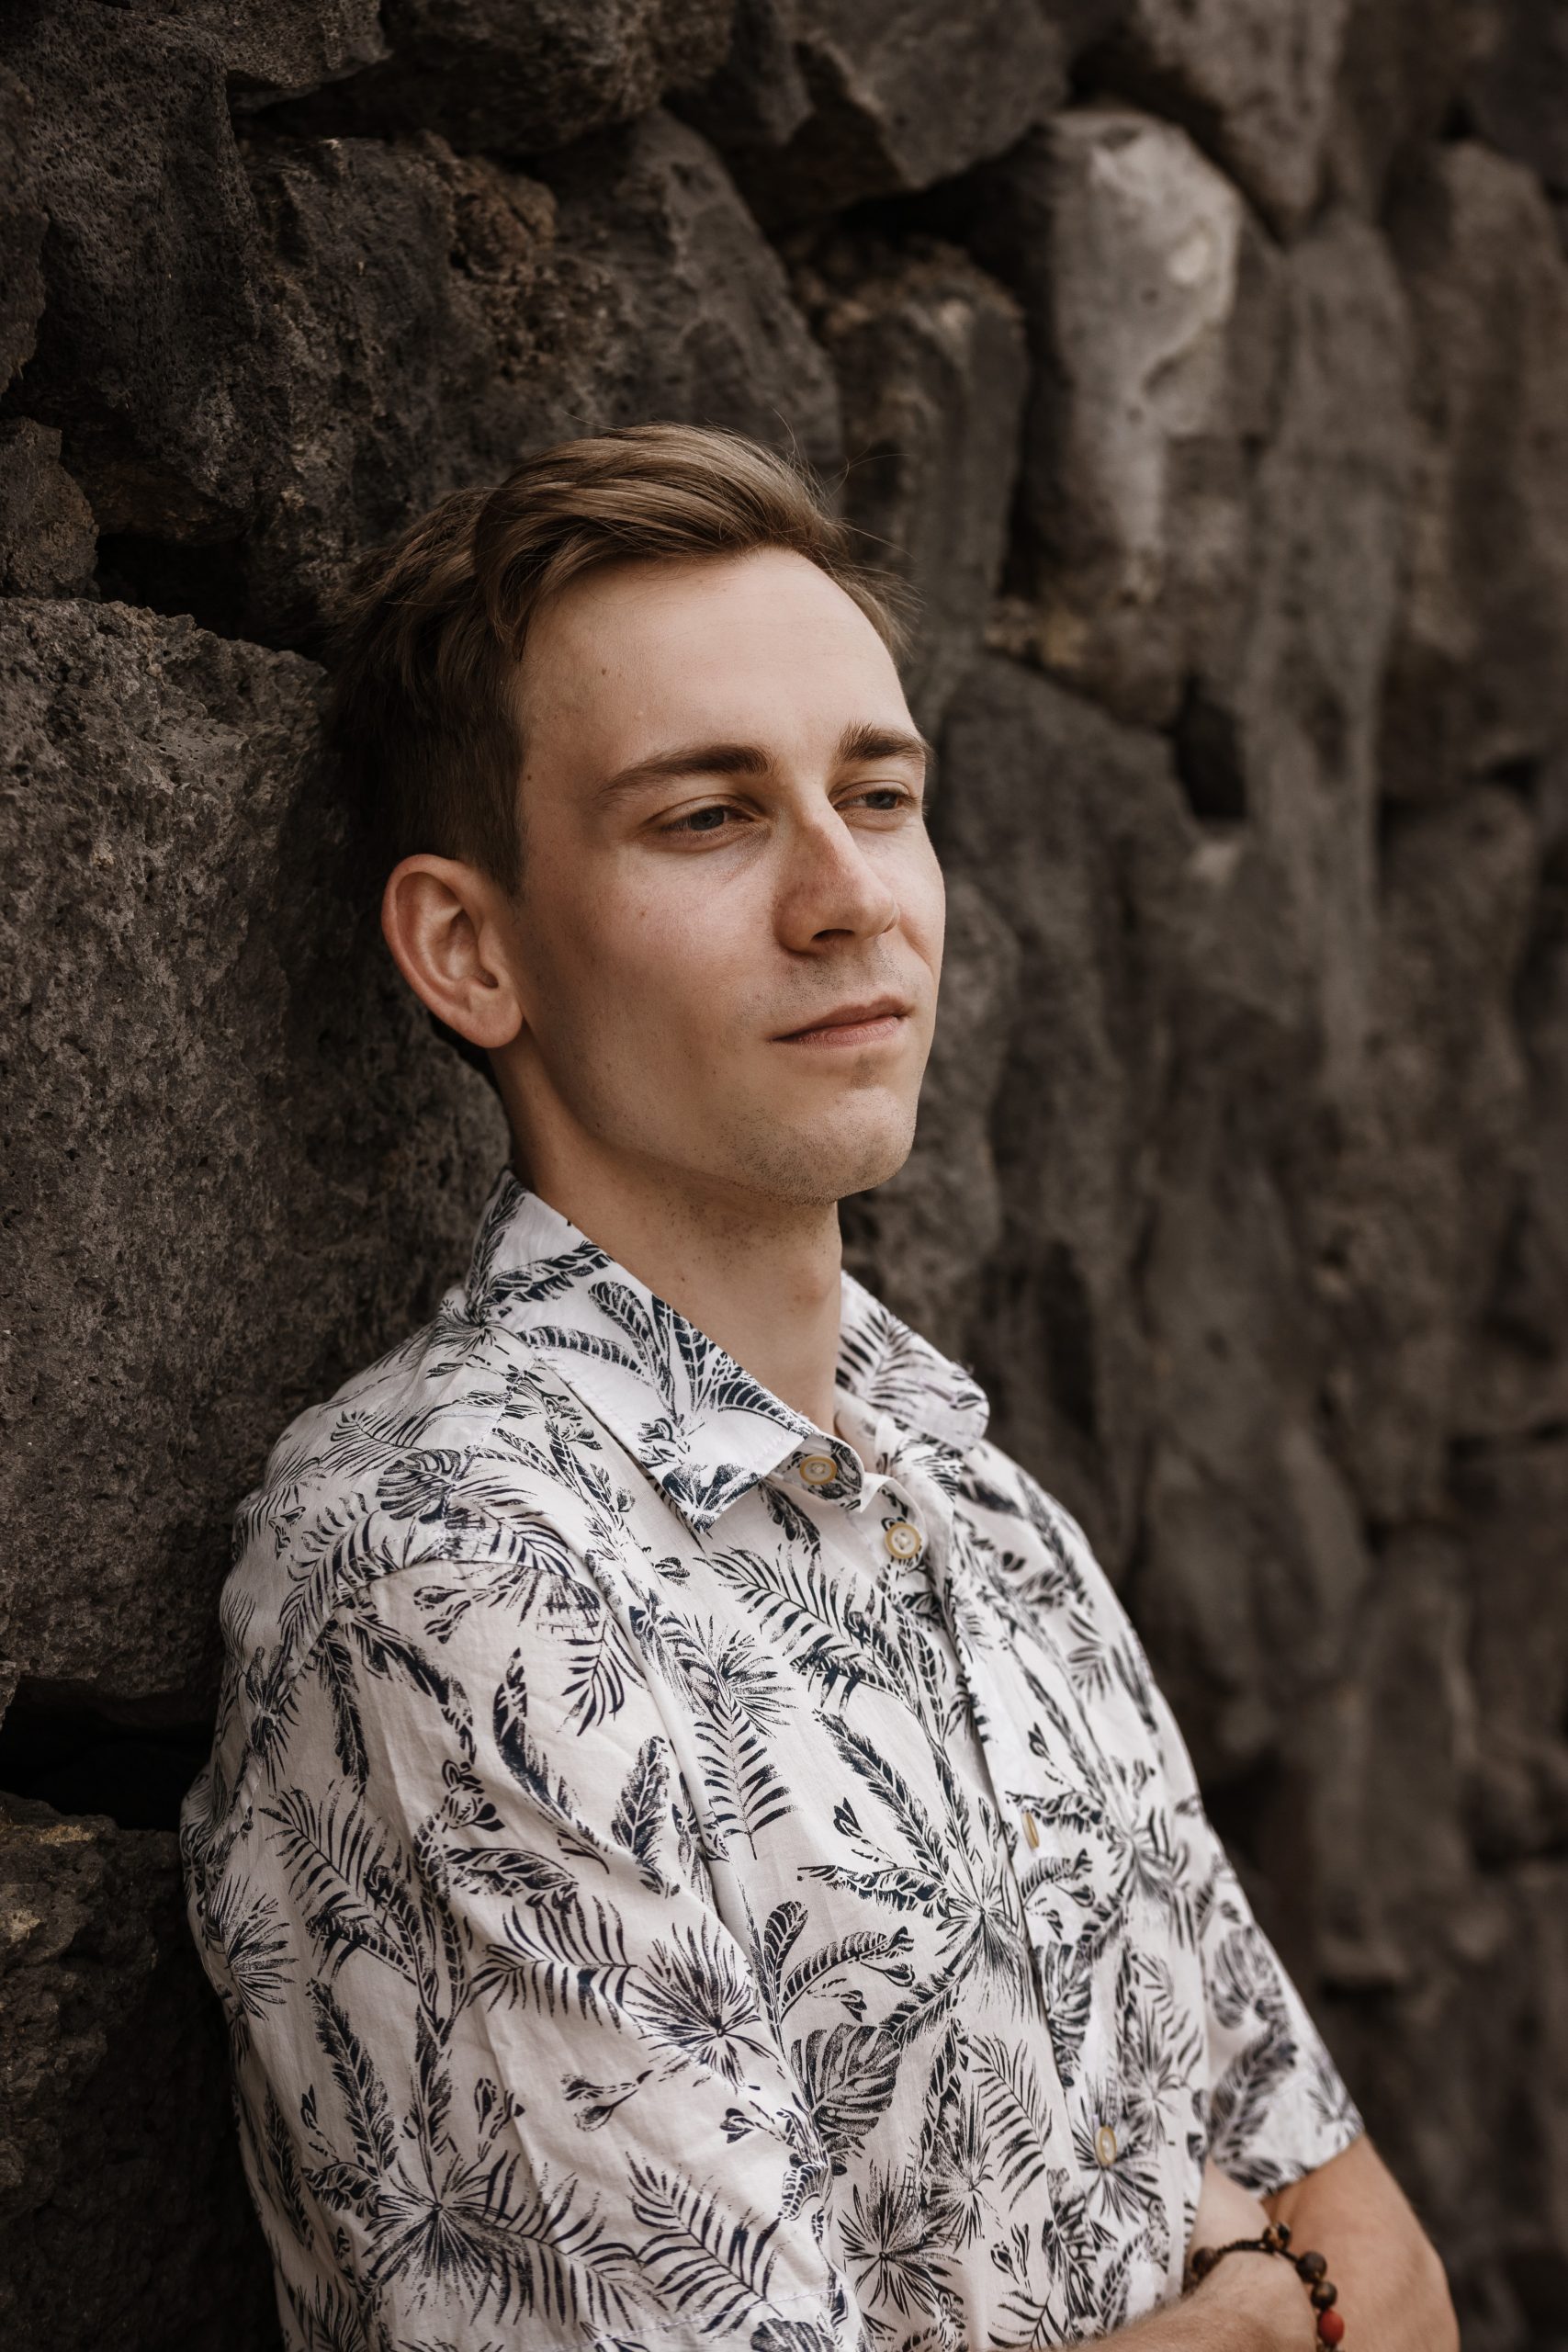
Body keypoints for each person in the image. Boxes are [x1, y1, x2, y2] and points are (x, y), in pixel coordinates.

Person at [180, 423, 1457, 2352]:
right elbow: (1328, 2279)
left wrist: (1291, 2273)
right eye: (707, 817)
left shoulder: (977, 1502)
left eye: (878, 793)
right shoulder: (448, 1568)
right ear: (470, 948)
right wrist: (1263, 2309)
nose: (851, 893)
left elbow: (1393, 2262)